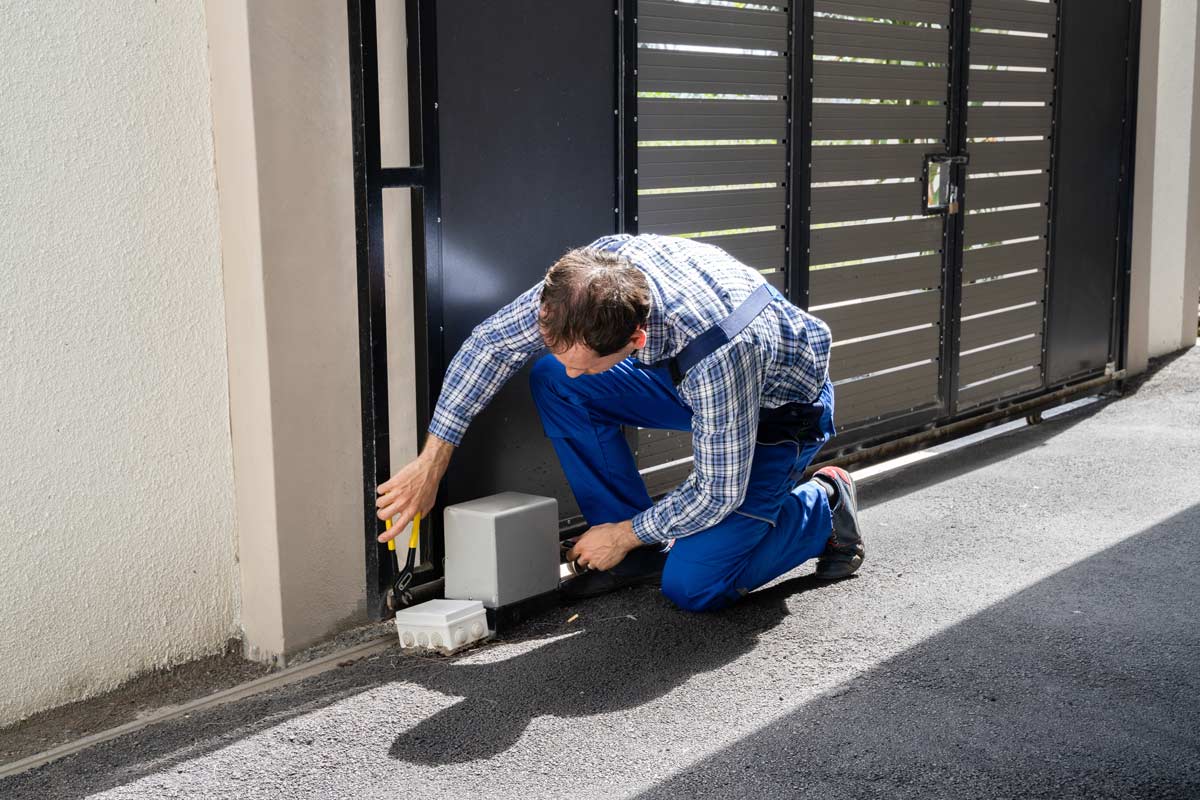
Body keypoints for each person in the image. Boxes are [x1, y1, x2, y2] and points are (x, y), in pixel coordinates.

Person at [375, 233, 864, 612]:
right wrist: (432, 460)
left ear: (634, 339)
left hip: (777, 414)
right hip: (698, 386)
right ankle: (637, 557)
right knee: (553, 380)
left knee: (695, 588)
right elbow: (490, 346)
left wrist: (623, 533)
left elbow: (718, 492)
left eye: (585, 362)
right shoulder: (587, 285)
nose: (574, 370)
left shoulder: (718, 350)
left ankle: (824, 507)